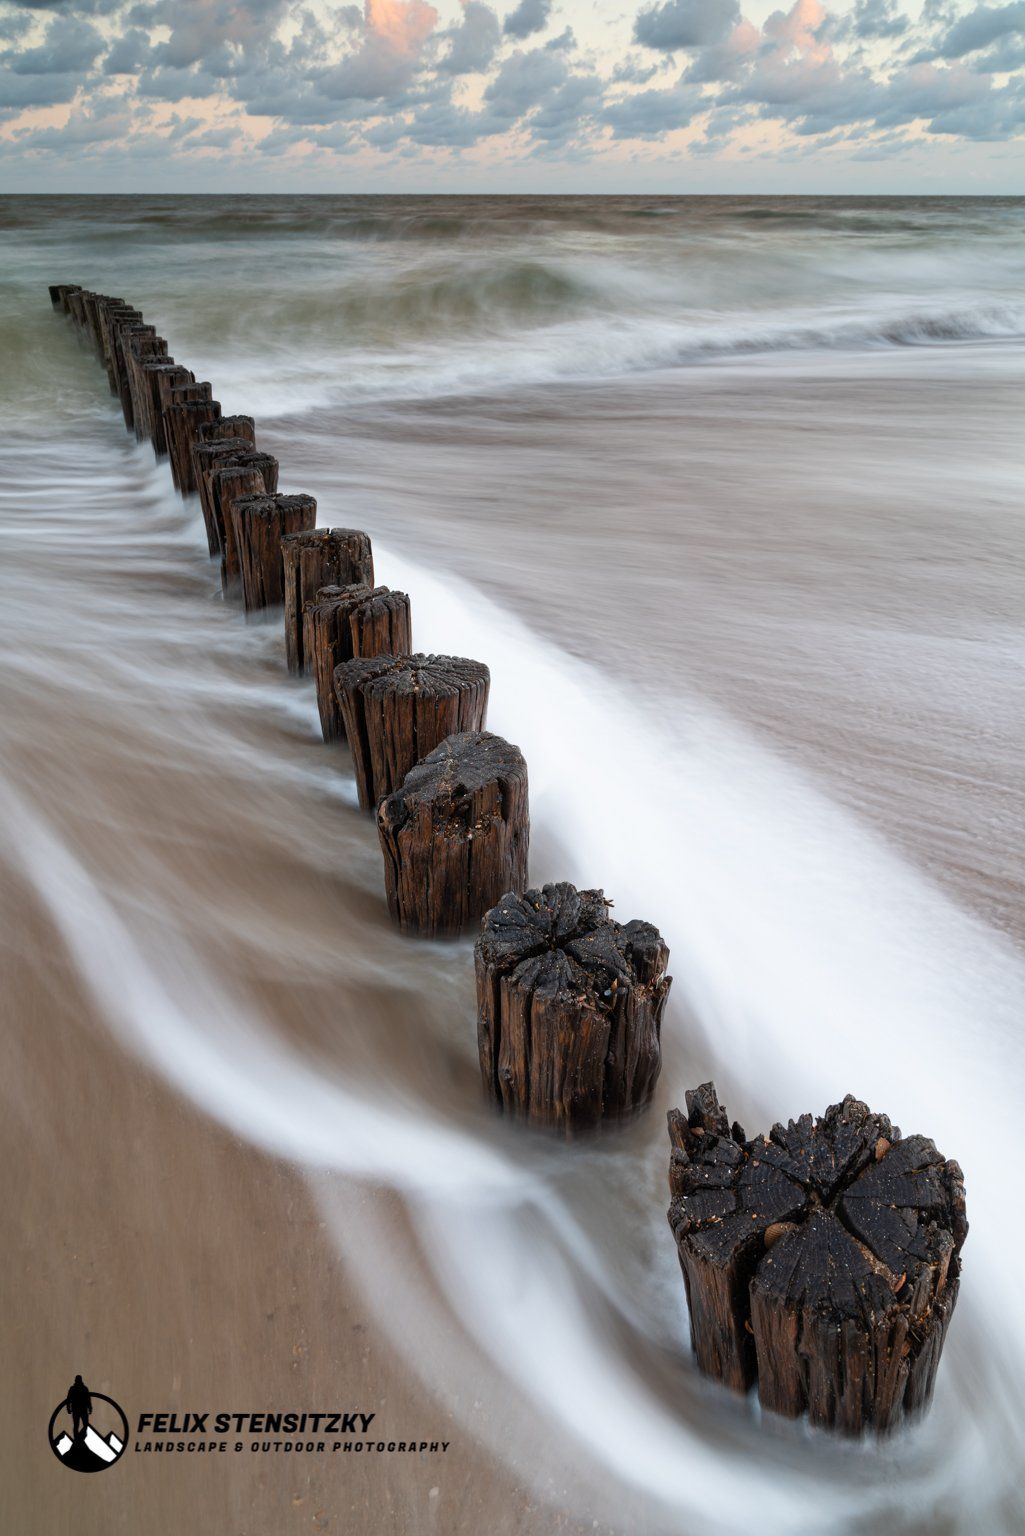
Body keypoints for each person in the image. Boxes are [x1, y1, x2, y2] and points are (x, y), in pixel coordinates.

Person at [66, 1375, 92, 1441]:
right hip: (80, 1410)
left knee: (81, 1425)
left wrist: (68, 1408)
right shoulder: (83, 1388)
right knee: (81, 1425)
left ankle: (79, 1438)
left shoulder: (73, 1389)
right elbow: (88, 1399)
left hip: (78, 1410)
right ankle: (78, 1438)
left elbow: (88, 1399)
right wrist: (90, 1407)